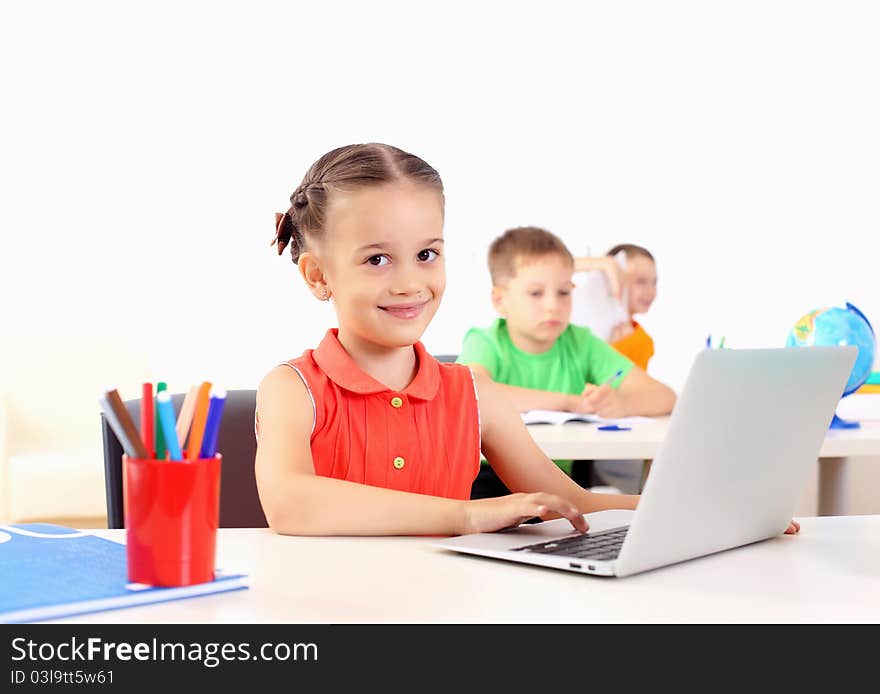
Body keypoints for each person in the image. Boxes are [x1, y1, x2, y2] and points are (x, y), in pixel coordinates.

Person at [255, 144, 648, 537]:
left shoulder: (476, 394)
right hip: (323, 598)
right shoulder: (292, 389)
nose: (410, 285)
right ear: (318, 276)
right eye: (377, 260)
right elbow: (290, 504)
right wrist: (465, 515)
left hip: (447, 597)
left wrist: (682, 505)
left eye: (427, 254)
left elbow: (572, 504)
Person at [456, 227, 676, 497]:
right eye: (536, 293)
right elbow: (474, 394)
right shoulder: (486, 342)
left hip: (559, 482)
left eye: (563, 292)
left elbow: (664, 396)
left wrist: (622, 403)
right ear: (501, 301)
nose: (553, 306)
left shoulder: (580, 342)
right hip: (487, 480)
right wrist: (569, 402)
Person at [604, 243, 658, 371]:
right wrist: (602, 264)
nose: (651, 291)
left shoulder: (641, 342)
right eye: (640, 281)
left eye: (654, 282)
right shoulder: (573, 319)